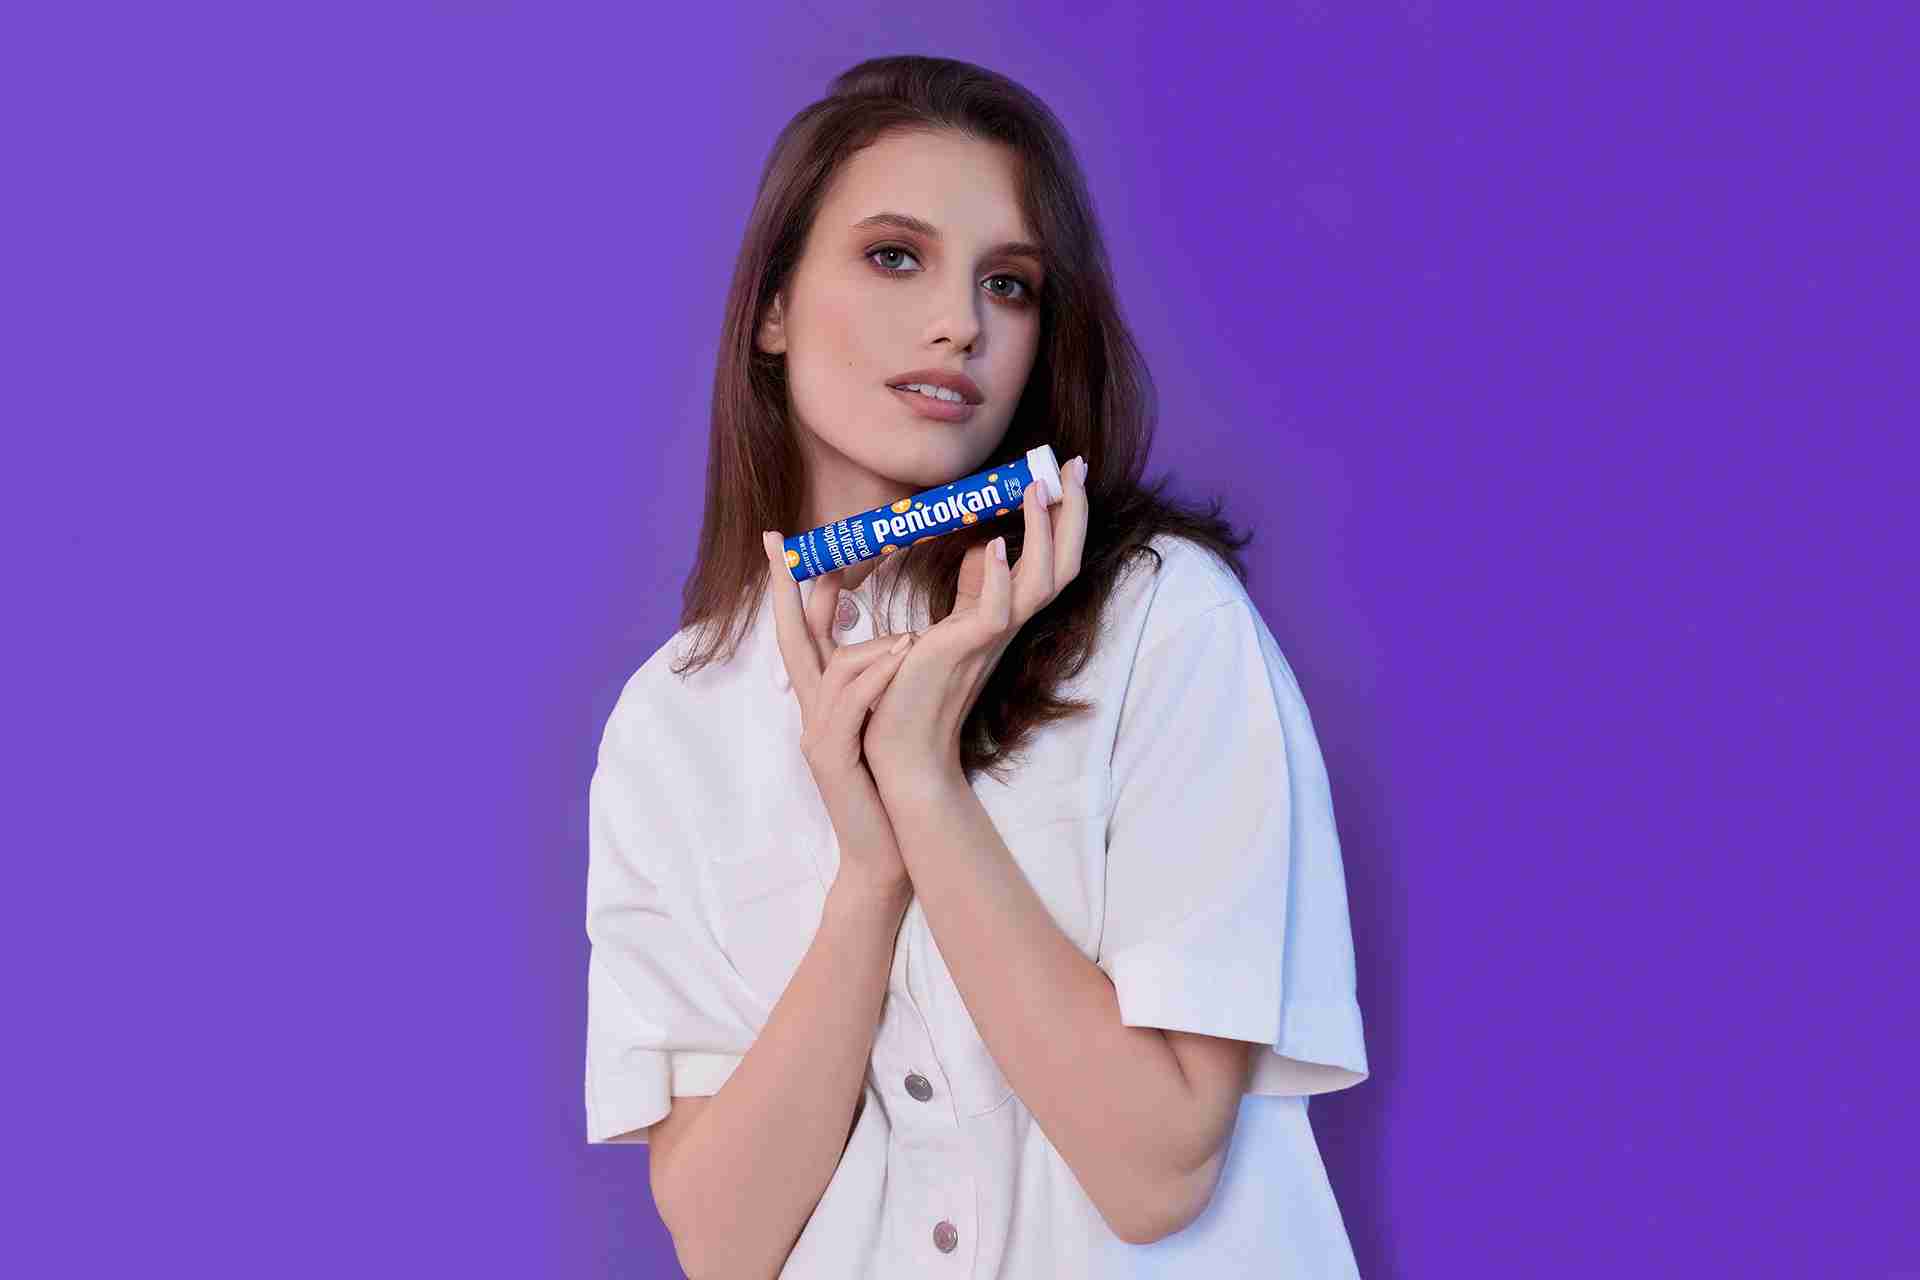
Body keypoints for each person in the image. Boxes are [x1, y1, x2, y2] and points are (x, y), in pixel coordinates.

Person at [584, 55, 1370, 1278]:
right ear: (773, 309)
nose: (962, 322)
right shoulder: (672, 719)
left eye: (1009, 283)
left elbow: (1157, 1170)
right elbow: (724, 1243)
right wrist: (869, 877)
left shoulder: (1163, 621)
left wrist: (923, 783)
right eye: (895, 256)